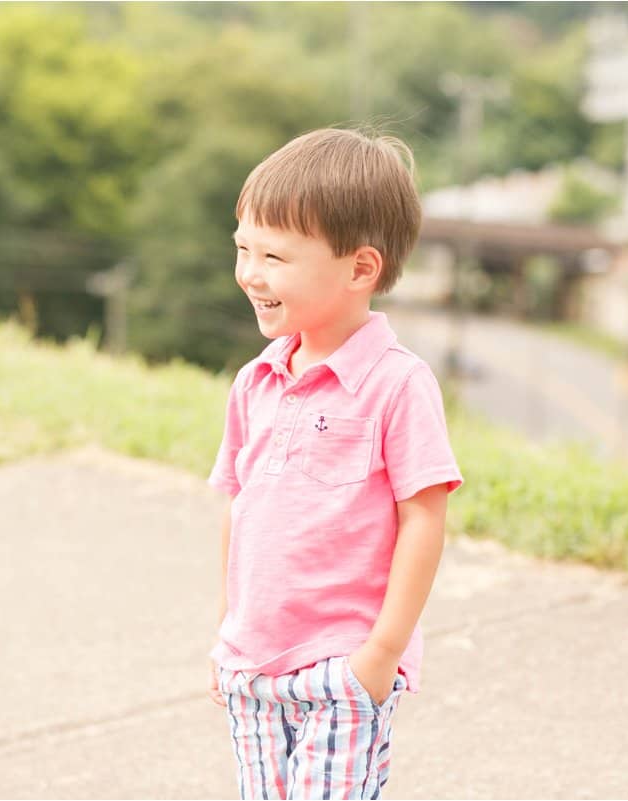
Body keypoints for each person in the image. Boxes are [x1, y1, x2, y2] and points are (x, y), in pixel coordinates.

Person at [205, 127, 464, 800]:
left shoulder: (396, 385)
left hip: (341, 669)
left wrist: (379, 655)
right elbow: (239, 508)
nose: (251, 273)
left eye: (275, 256)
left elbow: (424, 520)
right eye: (244, 249)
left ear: (359, 269)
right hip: (253, 669)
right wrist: (230, 633)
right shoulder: (254, 382)